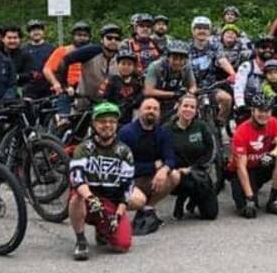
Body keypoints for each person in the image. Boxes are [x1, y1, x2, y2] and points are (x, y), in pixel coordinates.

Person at [67, 102, 145, 260]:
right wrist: (90, 198)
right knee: (76, 198)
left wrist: (119, 212)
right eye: (102, 121)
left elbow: (127, 184)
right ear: (94, 124)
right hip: (89, 197)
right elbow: (77, 177)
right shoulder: (84, 148)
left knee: (122, 245)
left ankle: (102, 229)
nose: (107, 125)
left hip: (110, 199)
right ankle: (81, 240)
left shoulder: (124, 151)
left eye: (111, 121)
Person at [117, 97, 178, 235]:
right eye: (148, 108)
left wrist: (164, 169)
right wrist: (153, 166)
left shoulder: (162, 132)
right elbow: (124, 167)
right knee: (139, 200)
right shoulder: (126, 133)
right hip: (127, 180)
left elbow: (170, 158)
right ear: (139, 111)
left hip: (148, 178)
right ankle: (114, 212)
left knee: (174, 175)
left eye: (155, 109)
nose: (151, 111)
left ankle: (147, 210)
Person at [229, 93, 277, 217]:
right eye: (260, 111)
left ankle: (272, 201)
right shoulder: (241, 131)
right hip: (243, 171)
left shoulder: (273, 122)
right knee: (248, 212)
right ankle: (251, 193)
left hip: (262, 165)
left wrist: (272, 154)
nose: (264, 115)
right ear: (252, 111)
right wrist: (249, 197)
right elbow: (241, 167)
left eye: (267, 111)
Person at [164, 93, 219, 221]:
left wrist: (194, 168)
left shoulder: (202, 127)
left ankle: (193, 200)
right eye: (185, 106)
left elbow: (212, 151)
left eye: (192, 107)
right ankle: (181, 199)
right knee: (184, 181)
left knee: (210, 215)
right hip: (176, 173)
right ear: (178, 107)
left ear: (196, 110)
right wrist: (172, 169)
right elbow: (161, 153)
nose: (188, 109)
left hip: (199, 172)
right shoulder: (166, 129)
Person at [55, 23, 122, 107]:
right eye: (109, 38)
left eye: (117, 39)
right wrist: (65, 85)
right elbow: (63, 61)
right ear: (102, 39)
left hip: (109, 103)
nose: (113, 41)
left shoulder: (121, 56)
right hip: (84, 101)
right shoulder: (92, 51)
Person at [43, 20, 93, 118]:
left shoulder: (93, 52)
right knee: (63, 115)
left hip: (87, 89)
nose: (82, 38)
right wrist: (56, 83)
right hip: (66, 88)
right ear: (73, 36)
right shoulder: (62, 51)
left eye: (85, 35)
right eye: (79, 35)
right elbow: (47, 69)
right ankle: (62, 122)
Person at [143, 40, 196, 118]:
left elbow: (193, 86)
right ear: (168, 57)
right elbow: (148, 91)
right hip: (155, 99)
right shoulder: (155, 66)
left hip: (176, 100)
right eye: (174, 58)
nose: (178, 62)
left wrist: (188, 94)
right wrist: (173, 94)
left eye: (181, 59)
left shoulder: (187, 67)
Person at [99, 48, 145, 121]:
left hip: (131, 117)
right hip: (113, 115)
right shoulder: (111, 81)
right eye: (123, 64)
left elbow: (140, 101)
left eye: (129, 64)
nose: (126, 67)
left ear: (133, 67)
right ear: (117, 65)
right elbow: (104, 99)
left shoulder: (137, 83)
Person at [21, 20, 55, 99]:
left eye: (38, 30)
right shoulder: (23, 50)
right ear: (29, 33)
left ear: (43, 32)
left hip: (48, 89)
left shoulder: (51, 49)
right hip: (29, 90)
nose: (36, 32)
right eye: (33, 30)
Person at [1, 24, 32, 90]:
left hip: (19, 89)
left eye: (15, 38)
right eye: (9, 38)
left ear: (20, 39)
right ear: (3, 39)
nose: (12, 41)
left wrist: (15, 77)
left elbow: (30, 74)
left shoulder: (25, 55)